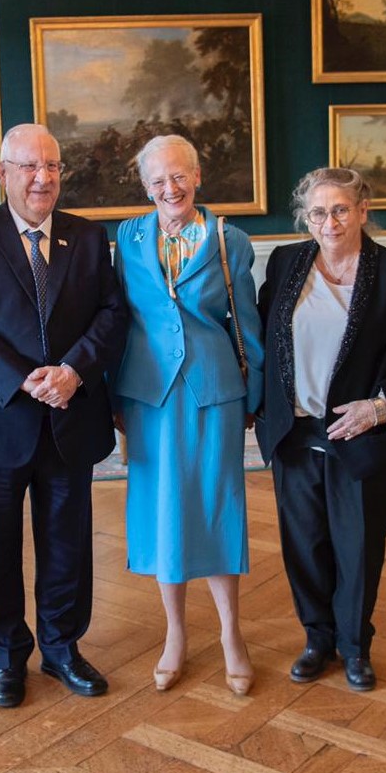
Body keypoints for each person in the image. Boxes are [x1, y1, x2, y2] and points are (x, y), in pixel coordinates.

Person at [0, 123, 127, 708]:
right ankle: (5, 656)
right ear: (3, 173)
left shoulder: (89, 239)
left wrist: (73, 371)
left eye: (52, 167)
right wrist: (23, 379)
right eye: (28, 167)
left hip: (70, 414)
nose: (42, 178)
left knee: (67, 542)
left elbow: (112, 313)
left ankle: (63, 649)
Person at [256, 167, 386, 692]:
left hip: (365, 436)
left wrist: (377, 408)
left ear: (361, 211)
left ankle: (355, 648)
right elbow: (268, 343)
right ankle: (317, 640)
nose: (329, 221)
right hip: (296, 433)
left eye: (339, 209)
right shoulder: (287, 262)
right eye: (318, 212)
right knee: (305, 543)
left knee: (357, 546)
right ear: (305, 217)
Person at [112, 134, 264, 696]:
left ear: (197, 177)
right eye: (158, 180)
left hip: (213, 391)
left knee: (217, 506)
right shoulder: (126, 239)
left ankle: (231, 636)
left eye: (179, 176)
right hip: (148, 394)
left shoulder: (230, 240)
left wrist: (254, 397)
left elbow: (245, 324)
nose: (169, 188)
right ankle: (174, 635)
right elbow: (118, 321)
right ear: (145, 186)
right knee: (162, 513)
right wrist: (113, 396)